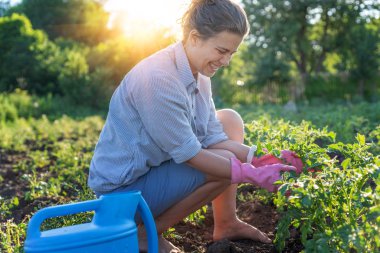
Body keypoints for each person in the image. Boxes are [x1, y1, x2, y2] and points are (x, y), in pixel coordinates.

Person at [88, 0, 303, 252]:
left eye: (231, 53)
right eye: (221, 51)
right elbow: (189, 154)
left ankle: (227, 223)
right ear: (194, 37)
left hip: (152, 175)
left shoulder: (198, 74)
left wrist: (263, 159)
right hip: (122, 195)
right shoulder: (159, 79)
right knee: (224, 167)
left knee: (229, 120)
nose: (226, 62)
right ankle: (144, 234)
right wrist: (248, 173)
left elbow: (213, 136)